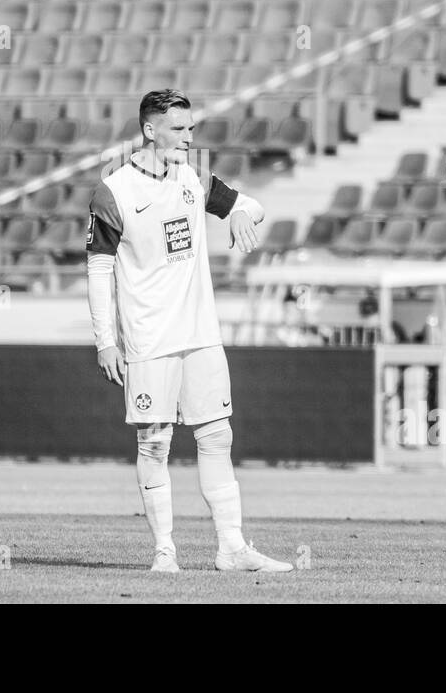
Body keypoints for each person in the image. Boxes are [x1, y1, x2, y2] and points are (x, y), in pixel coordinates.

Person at [86, 89, 292, 574]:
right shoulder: (114, 191)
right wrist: (105, 341)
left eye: (191, 128)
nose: (188, 137)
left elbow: (253, 204)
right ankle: (164, 552)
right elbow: (98, 269)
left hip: (200, 334)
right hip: (148, 338)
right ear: (149, 130)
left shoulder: (193, 178)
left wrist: (241, 212)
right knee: (154, 442)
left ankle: (232, 548)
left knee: (217, 437)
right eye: (178, 129)